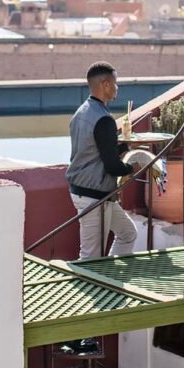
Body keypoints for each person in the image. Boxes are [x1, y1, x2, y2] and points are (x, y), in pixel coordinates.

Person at [66, 61, 138, 260]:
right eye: (115, 83)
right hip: (95, 196)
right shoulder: (104, 119)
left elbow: (93, 150)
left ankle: (110, 276)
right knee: (91, 257)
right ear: (105, 84)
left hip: (87, 191)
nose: (117, 88)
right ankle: (94, 285)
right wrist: (133, 167)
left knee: (127, 233)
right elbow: (113, 166)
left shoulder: (81, 112)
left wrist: (123, 147)